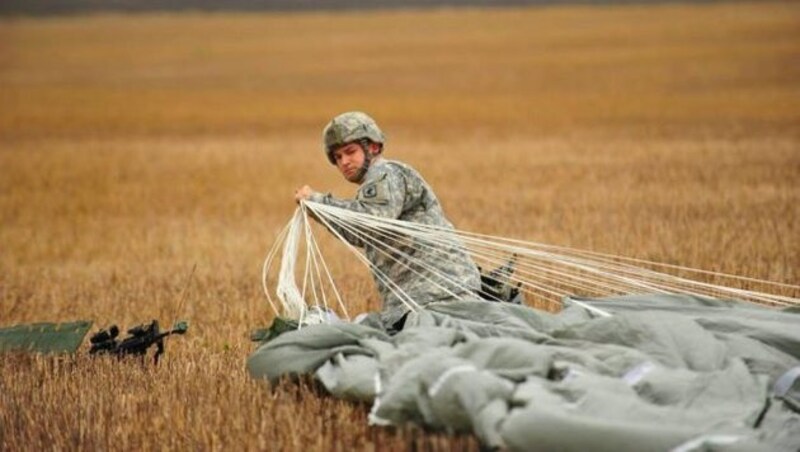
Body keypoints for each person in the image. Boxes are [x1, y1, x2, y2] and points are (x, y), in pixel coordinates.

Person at [294, 111, 481, 331]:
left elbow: (371, 223)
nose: (344, 162)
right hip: (422, 299)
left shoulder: (385, 174)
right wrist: (319, 208)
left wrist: (318, 202)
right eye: (337, 157)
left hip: (439, 297)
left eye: (350, 152)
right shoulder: (379, 181)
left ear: (373, 147)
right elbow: (362, 230)